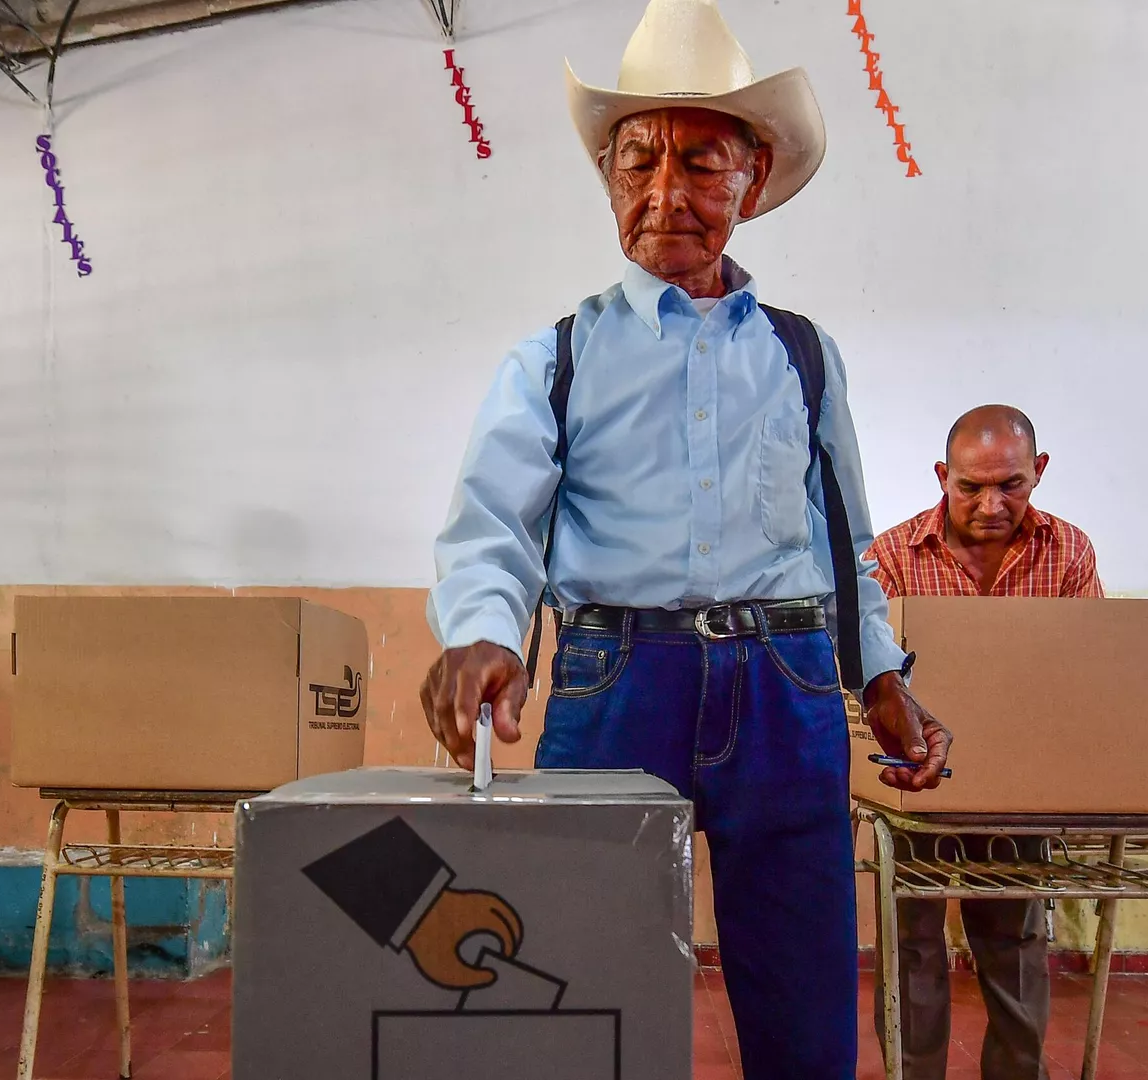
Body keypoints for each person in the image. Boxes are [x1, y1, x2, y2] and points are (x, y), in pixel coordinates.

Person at [418, 3, 952, 1077]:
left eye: (701, 165)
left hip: (789, 688)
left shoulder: (804, 356)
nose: (665, 194)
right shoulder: (555, 359)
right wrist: (485, 634)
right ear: (607, 175)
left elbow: (842, 542)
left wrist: (880, 674)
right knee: (585, 993)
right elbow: (493, 526)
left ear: (752, 179)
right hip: (619, 682)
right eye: (637, 161)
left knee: (805, 1003)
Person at [866, 405, 1104, 1080]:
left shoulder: (1069, 551)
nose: (991, 504)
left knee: (1015, 938)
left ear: (1040, 472)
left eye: (1011, 485)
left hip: (1017, 781)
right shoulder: (890, 554)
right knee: (912, 939)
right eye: (970, 487)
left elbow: (1093, 666)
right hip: (914, 780)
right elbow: (865, 675)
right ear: (943, 476)